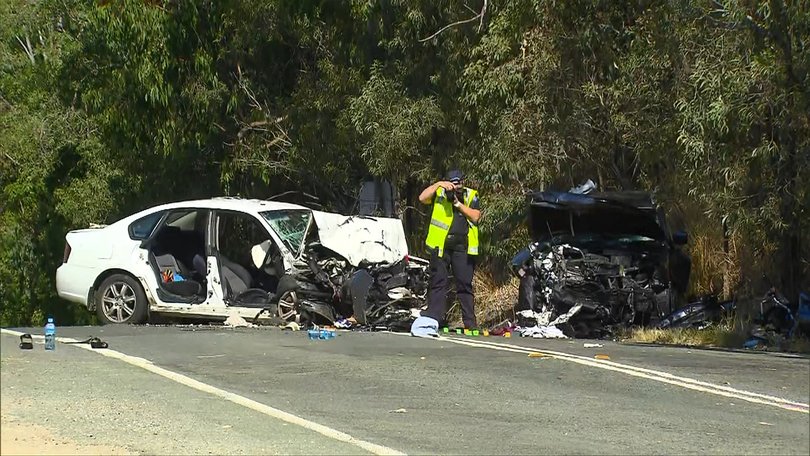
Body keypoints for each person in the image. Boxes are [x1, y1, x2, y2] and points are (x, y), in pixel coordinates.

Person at [417, 169, 481, 329]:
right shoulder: (439, 194)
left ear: (463, 182)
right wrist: (439, 184)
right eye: (453, 183)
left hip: (462, 247)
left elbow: (475, 216)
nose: (456, 186)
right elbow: (422, 198)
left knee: (464, 284)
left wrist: (457, 204)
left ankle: (470, 324)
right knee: (438, 283)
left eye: (458, 183)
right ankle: (434, 319)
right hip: (441, 246)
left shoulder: (470, 195)